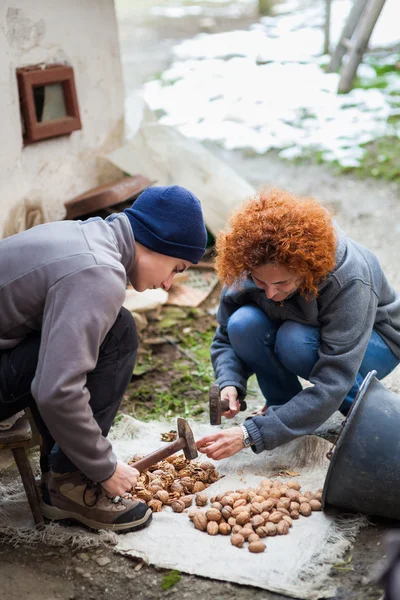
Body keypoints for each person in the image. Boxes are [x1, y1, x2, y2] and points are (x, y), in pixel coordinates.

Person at [0, 185, 207, 532]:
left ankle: (62, 471)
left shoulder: (86, 234)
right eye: (177, 267)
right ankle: (72, 482)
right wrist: (104, 467)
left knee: (113, 326)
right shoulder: (99, 272)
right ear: (158, 244)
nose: (169, 283)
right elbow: (57, 390)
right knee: (118, 333)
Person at [197, 189, 400, 461]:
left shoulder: (349, 278)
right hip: (302, 328)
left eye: (281, 283)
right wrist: (229, 382)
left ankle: (365, 415)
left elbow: (334, 378)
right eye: (260, 282)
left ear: (307, 270)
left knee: (294, 341)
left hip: (377, 341)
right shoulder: (248, 265)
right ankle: (285, 409)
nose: (269, 293)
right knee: (243, 324)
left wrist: (250, 434)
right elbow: (225, 337)